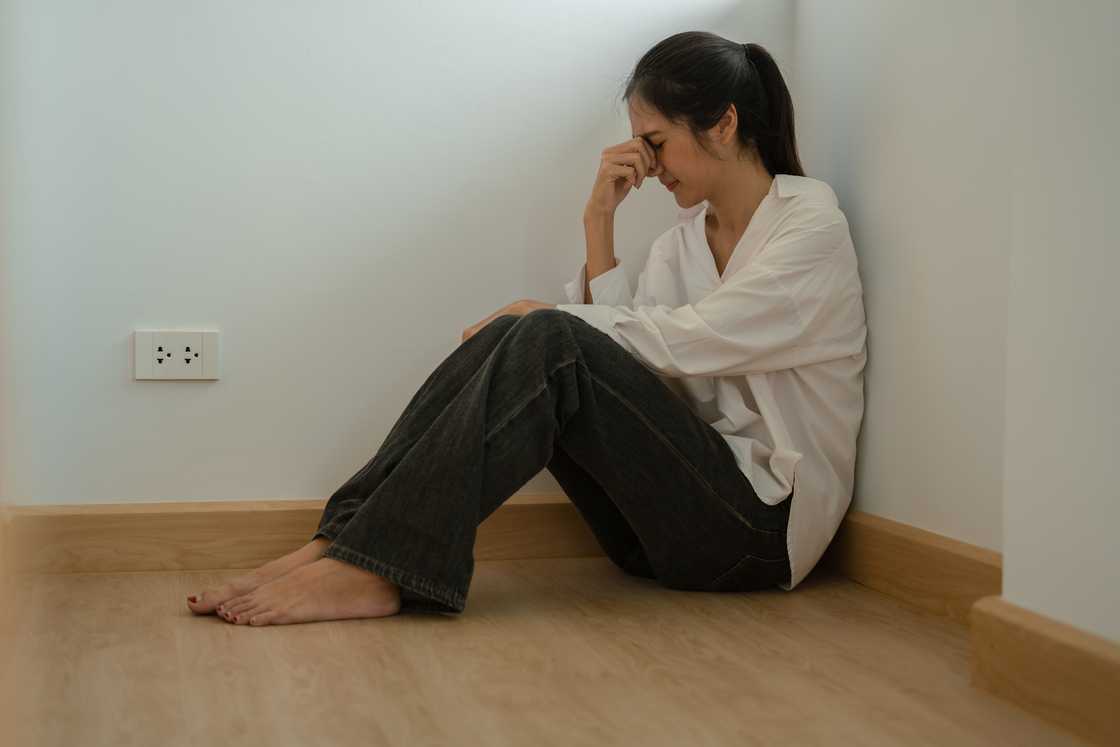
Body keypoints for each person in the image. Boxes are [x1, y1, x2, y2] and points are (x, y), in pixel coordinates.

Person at [186, 31, 867, 626]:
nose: (650, 165)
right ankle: (344, 541)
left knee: (548, 336)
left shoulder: (809, 225)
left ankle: (376, 565)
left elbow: (686, 340)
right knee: (521, 336)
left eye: (656, 143)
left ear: (722, 124)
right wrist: (598, 221)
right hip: (656, 528)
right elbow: (634, 365)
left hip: (757, 532)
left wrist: (546, 316)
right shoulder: (681, 246)